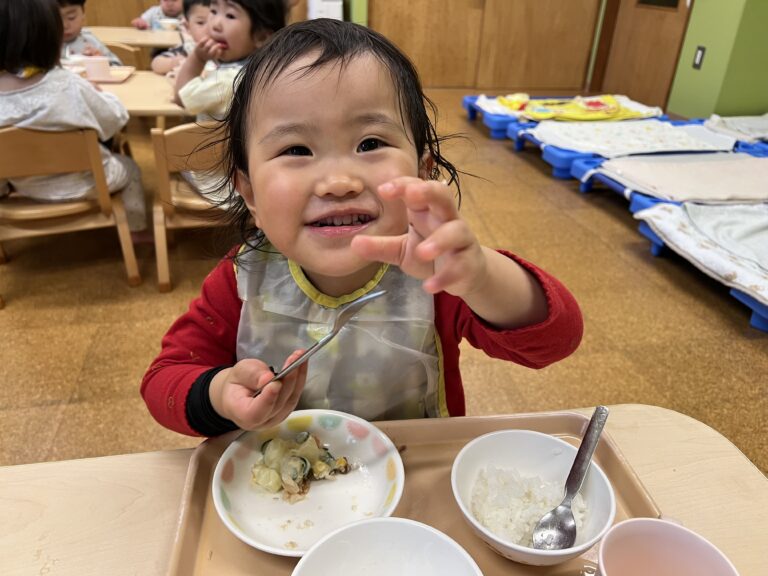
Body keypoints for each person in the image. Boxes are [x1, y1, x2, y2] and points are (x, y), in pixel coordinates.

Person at [140, 19, 583, 437]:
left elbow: (555, 341)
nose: (338, 183)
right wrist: (219, 394)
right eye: (296, 149)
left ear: (423, 172)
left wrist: (482, 276)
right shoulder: (242, 278)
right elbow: (165, 380)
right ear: (250, 193)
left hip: (413, 475)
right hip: (280, 493)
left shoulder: (435, 274)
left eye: (370, 144)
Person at [0, 0, 147, 235]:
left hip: (25, 187)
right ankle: (138, 231)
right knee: (131, 168)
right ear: (51, 37)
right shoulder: (69, 86)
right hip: (90, 184)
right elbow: (115, 120)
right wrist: (103, 96)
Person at [173, 0, 286, 120]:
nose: (215, 24)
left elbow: (181, 98)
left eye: (230, 16)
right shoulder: (264, 69)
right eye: (214, 11)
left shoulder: (229, 82)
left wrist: (198, 58)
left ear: (261, 37)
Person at [151, 0, 211, 76]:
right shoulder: (188, 48)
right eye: (201, 23)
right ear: (187, 27)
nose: (210, 28)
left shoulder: (227, 51)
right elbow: (156, 63)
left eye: (214, 21)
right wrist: (173, 62)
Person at [58, 0, 122, 66]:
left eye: (71, 17)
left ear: (83, 14)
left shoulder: (89, 41)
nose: (64, 25)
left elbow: (119, 67)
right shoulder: (47, 45)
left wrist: (102, 62)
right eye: (56, 19)